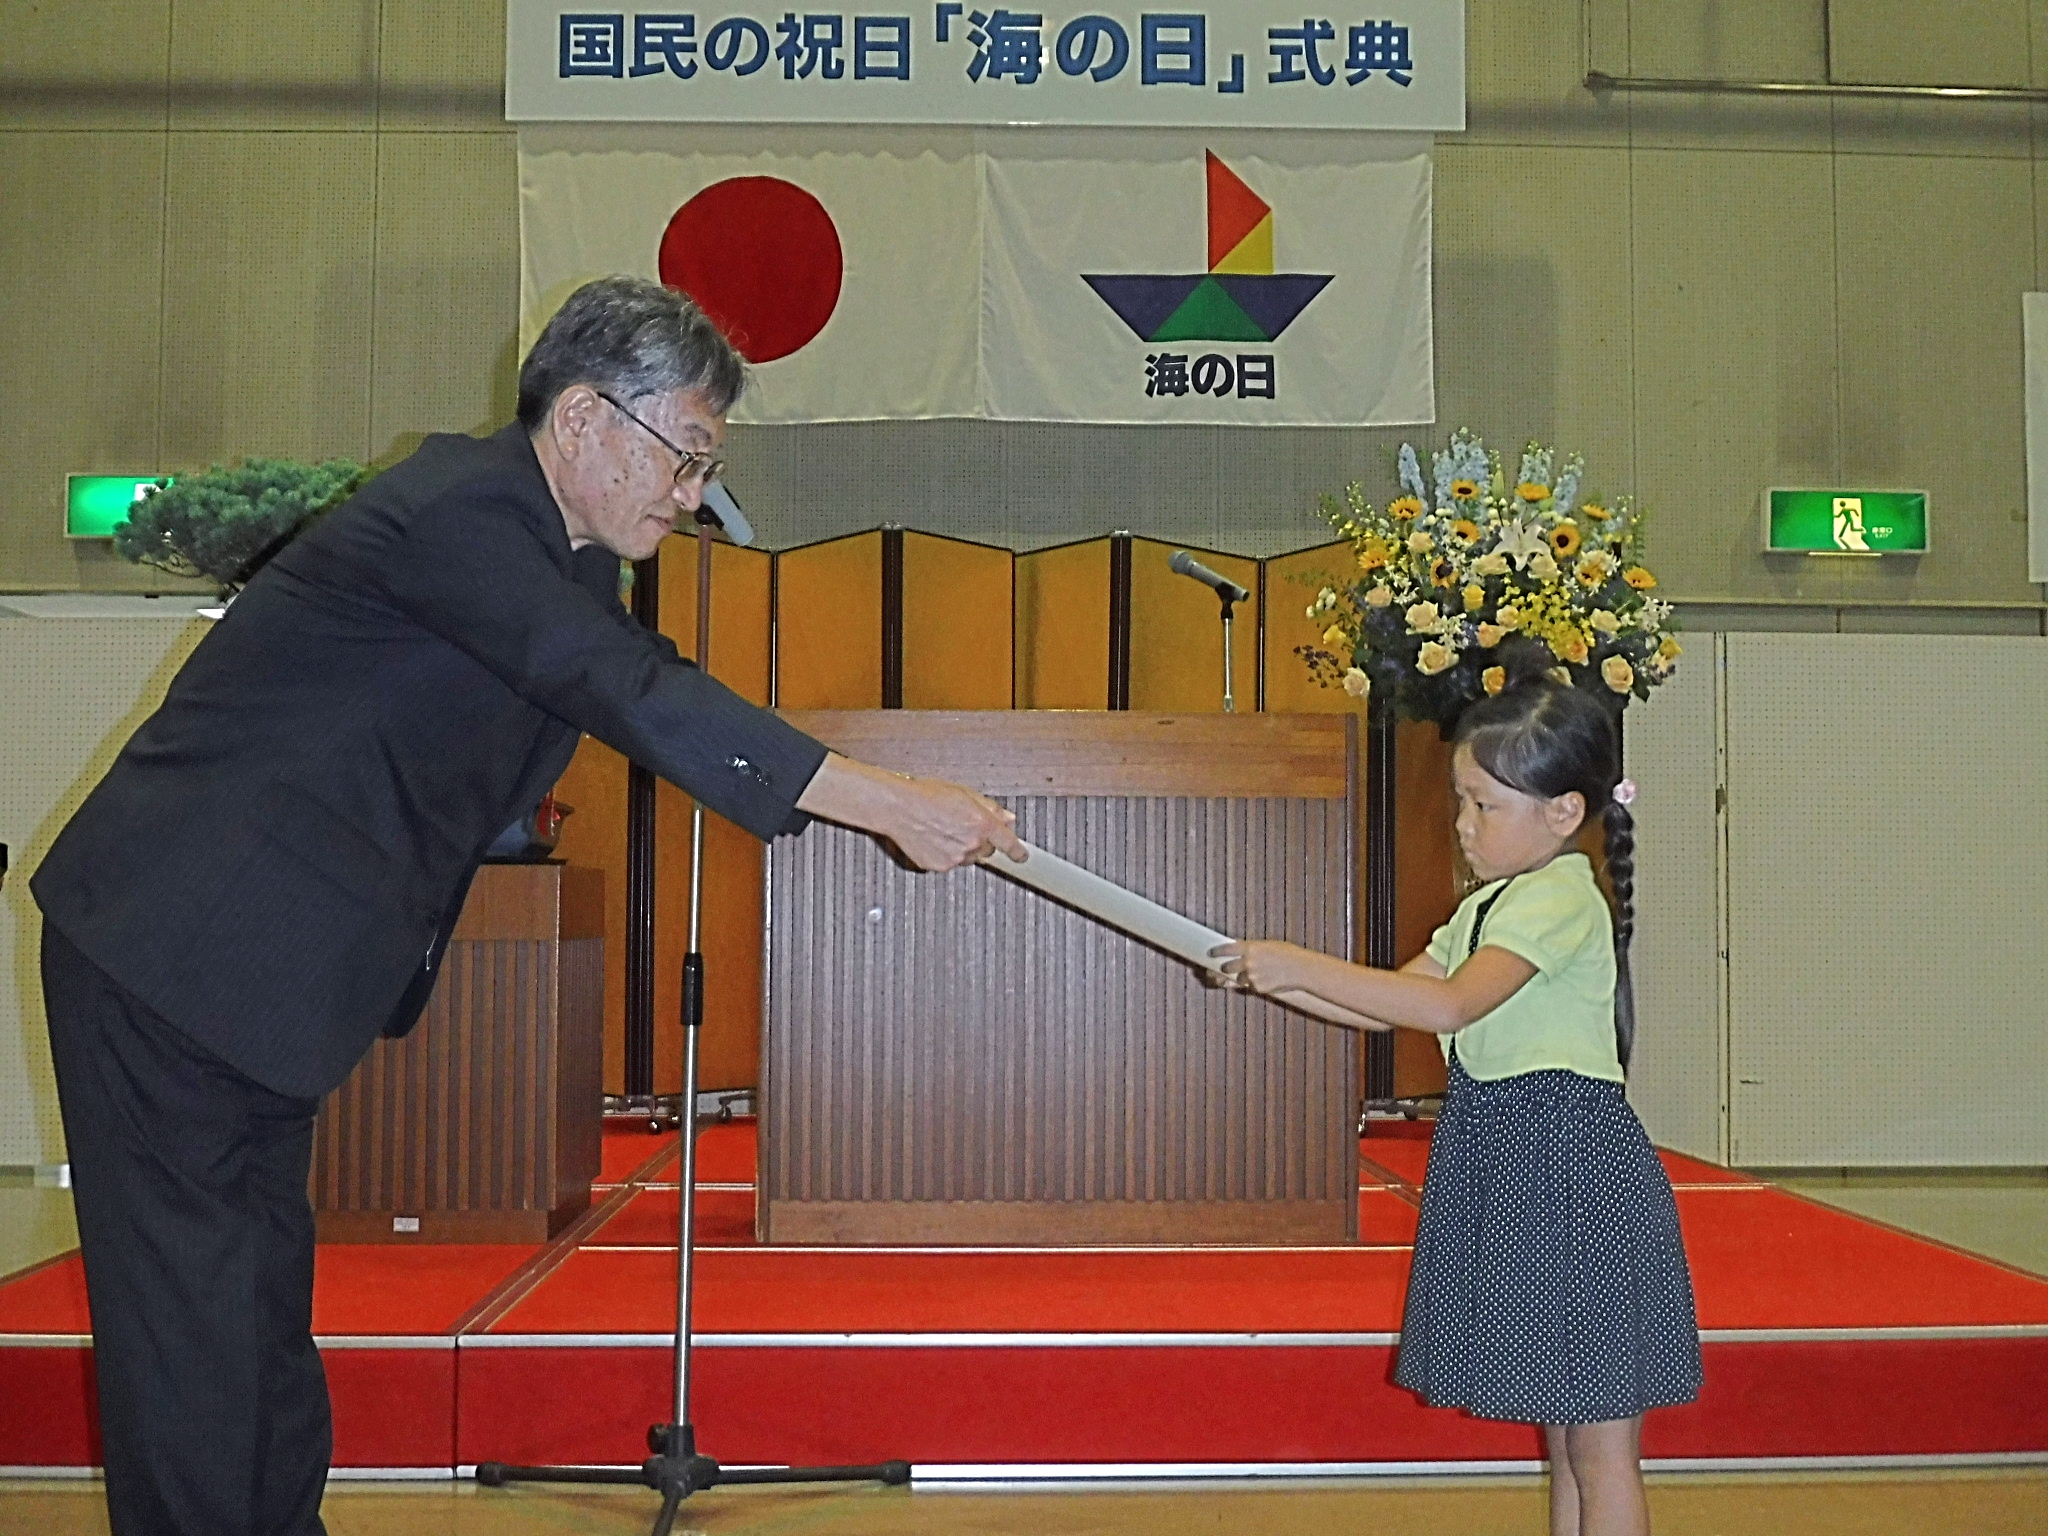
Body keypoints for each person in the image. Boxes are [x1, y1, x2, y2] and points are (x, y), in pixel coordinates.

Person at [30, 274, 1024, 1536]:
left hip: (247, 976)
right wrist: (877, 799)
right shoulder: (462, 510)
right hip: (173, 952)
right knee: (194, 1330)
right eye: (683, 454)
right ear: (582, 421)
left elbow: (568, 706)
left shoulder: (563, 559)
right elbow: (622, 688)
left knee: (253, 1311)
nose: (690, 492)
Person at [1218, 680, 1700, 1536]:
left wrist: (1295, 963)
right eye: (1463, 803)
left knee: (1599, 1449)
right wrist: (1275, 981)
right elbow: (1388, 1003)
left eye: (1484, 804)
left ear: (1563, 813)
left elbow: (1449, 1008)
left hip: (1571, 1175)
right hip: (1518, 1167)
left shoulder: (1560, 895)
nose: (1465, 826)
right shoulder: (1488, 906)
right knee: (1564, 1440)